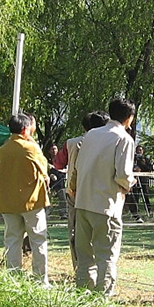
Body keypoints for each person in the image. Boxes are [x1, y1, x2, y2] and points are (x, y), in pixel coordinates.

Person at [67, 98, 137, 296]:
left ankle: (82, 294)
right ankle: (103, 297)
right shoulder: (124, 139)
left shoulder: (91, 134)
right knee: (106, 255)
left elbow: (78, 167)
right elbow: (123, 175)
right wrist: (130, 183)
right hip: (106, 205)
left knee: (84, 256)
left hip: (83, 202)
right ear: (129, 118)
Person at [0, 112, 51, 286]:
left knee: (12, 240)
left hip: (8, 201)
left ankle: (13, 277)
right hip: (31, 201)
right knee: (38, 239)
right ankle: (40, 279)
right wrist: (32, 141)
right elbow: (44, 166)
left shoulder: (2, 150)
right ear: (25, 129)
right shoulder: (31, 148)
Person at [64, 111, 109, 269]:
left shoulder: (72, 143)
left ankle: (79, 266)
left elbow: (60, 163)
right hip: (96, 192)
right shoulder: (106, 143)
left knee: (75, 230)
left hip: (74, 191)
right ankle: (96, 267)